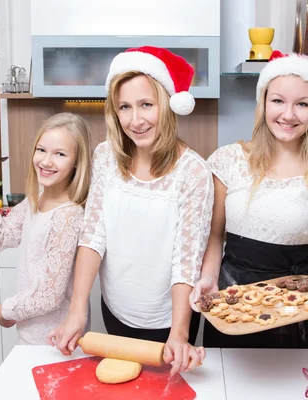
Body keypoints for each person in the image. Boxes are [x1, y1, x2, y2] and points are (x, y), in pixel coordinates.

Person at [48, 46, 213, 375]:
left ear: (166, 105)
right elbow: (94, 235)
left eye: (146, 105)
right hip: (116, 310)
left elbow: (186, 262)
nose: (135, 120)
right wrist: (78, 308)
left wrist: (179, 334)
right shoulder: (105, 157)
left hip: (169, 321)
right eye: (125, 107)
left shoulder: (193, 173)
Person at [189, 50, 308, 349]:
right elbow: (213, 236)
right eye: (278, 100)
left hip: (293, 308)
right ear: (262, 103)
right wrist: (209, 279)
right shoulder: (229, 160)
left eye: (302, 104)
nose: (288, 115)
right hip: (230, 302)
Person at [0, 112, 93, 345]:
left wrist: (3, 310)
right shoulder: (35, 200)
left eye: (60, 154)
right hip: (30, 333)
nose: (46, 161)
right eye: (41, 150)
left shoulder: (68, 215)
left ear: (78, 161)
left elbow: (49, 298)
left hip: (55, 339)